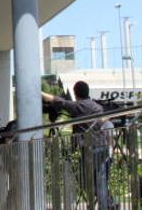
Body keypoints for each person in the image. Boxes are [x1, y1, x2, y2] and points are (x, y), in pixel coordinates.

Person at [42, 81, 116, 210]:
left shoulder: (77, 107)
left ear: (75, 94)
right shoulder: (97, 107)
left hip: (88, 149)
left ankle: (101, 205)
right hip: (102, 146)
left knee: (85, 181)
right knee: (100, 182)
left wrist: (40, 93)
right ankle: (106, 204)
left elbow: (57, 100)